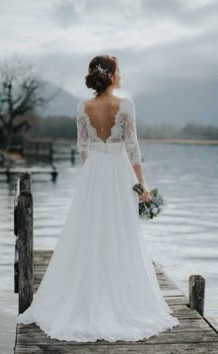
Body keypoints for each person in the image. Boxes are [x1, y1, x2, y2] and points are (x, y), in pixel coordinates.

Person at [15, 54, 179, 342]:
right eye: (120, 71)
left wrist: (94, 170)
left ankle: (84, 292)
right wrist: (142, 185)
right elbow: (132, 148)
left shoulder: (82, 106)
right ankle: (119, 295)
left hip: (94, 172)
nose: (122, 76)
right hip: (119, 172)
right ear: (112, 75)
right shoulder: (126, 105)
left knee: (88, 230)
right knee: (121, 232)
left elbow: (82, 147)